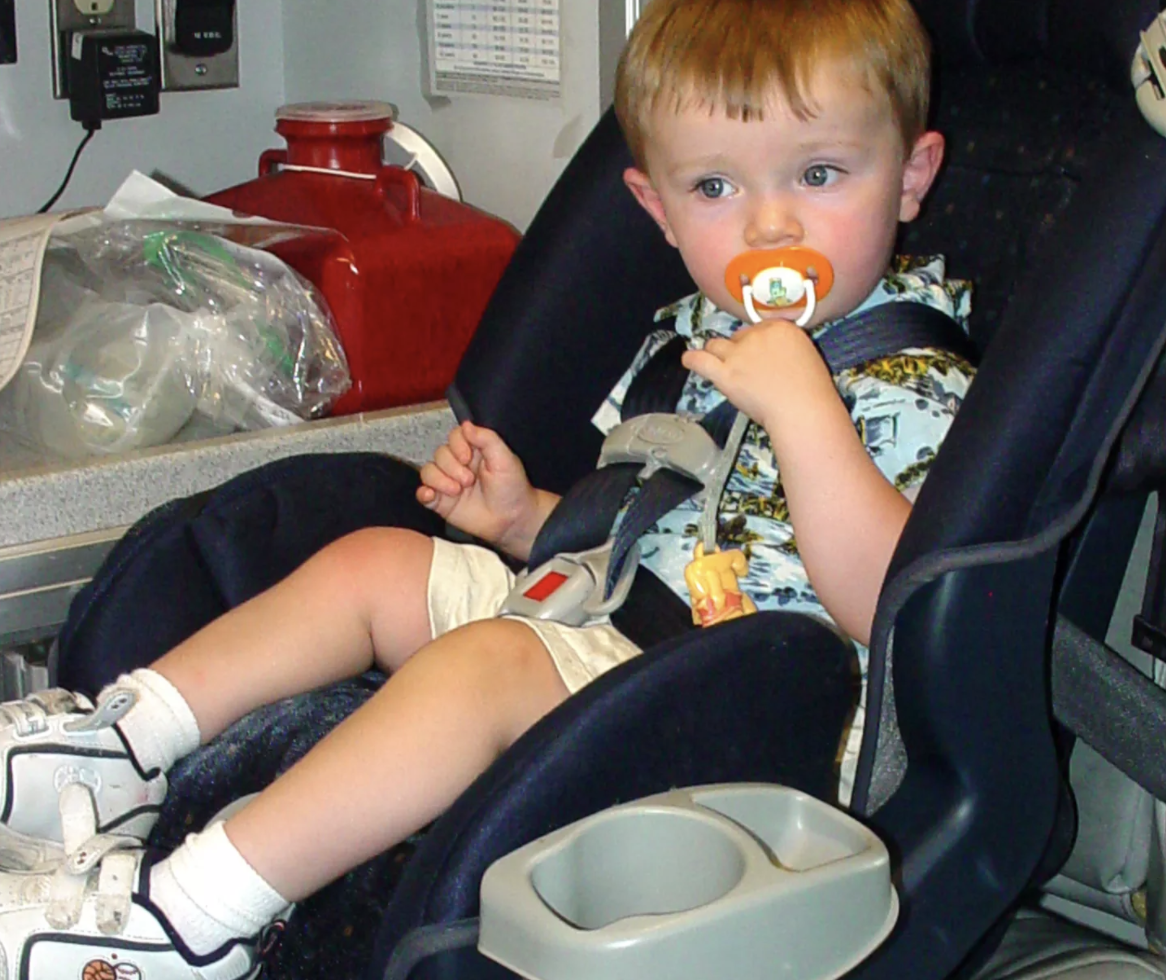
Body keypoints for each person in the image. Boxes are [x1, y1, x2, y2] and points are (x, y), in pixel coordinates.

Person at [0, 0, 976, 975]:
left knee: (487, 666)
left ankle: (182, 926)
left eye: (817, 174)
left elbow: (892, 599)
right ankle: (122, 742)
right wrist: (526, 520)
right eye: (715, 186)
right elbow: (653, 525)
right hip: (614, 626)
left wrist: (806, 413)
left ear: (909, 178)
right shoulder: (689, 339)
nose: (769, 222)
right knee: (378, 565)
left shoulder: (910, 379)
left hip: (752, 713)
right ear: (657, 210)